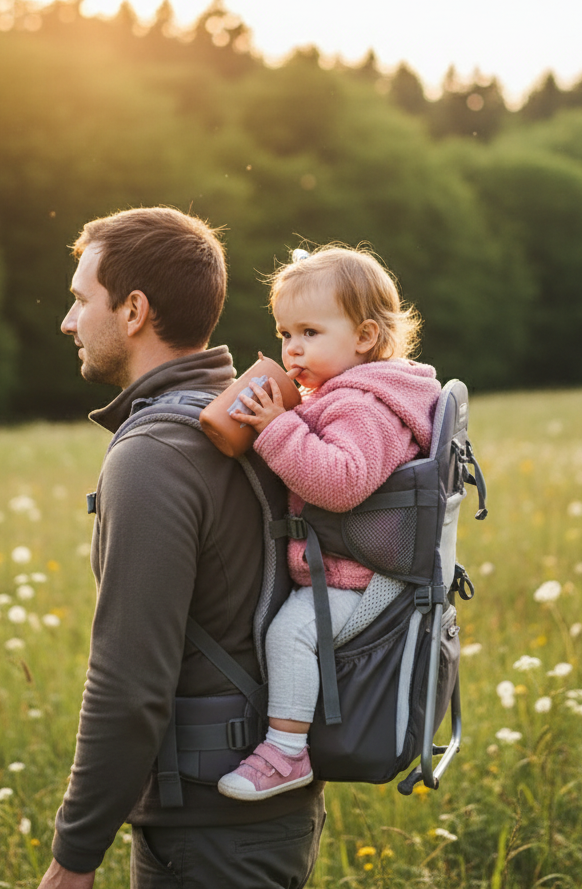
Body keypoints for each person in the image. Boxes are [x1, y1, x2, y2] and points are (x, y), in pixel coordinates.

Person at [39, 207, 326, 889]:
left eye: (81, 300)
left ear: (133, 309)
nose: (68, 321)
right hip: (267, 812)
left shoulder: (154, 454)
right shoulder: (251, 416)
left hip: (207, 831)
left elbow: (129, 685)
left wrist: (72, 861)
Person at [215, 245, 442, 801]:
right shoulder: (349, 393)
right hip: (352, 564)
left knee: (290, 633)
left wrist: (277, 430)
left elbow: (341, 482)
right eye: (284, 333)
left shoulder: (364, 405)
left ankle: (286, 753)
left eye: (310, 333)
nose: (292, 349)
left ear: (364, 337)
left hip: (362, 575)